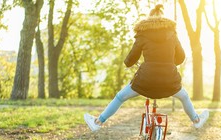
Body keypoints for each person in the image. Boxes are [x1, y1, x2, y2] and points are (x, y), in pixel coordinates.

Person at [84, 4, 209, 132]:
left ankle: (98, 122)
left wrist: (128, 64)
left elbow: (131, 58)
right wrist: (169, 64)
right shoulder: (172, 33)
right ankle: (196, 120)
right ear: (163, 18)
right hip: (169, 81)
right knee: (184, 97)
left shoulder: (143, 33)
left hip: (145, 81)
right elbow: (181, 57)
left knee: (120, 97)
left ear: (149, 18)